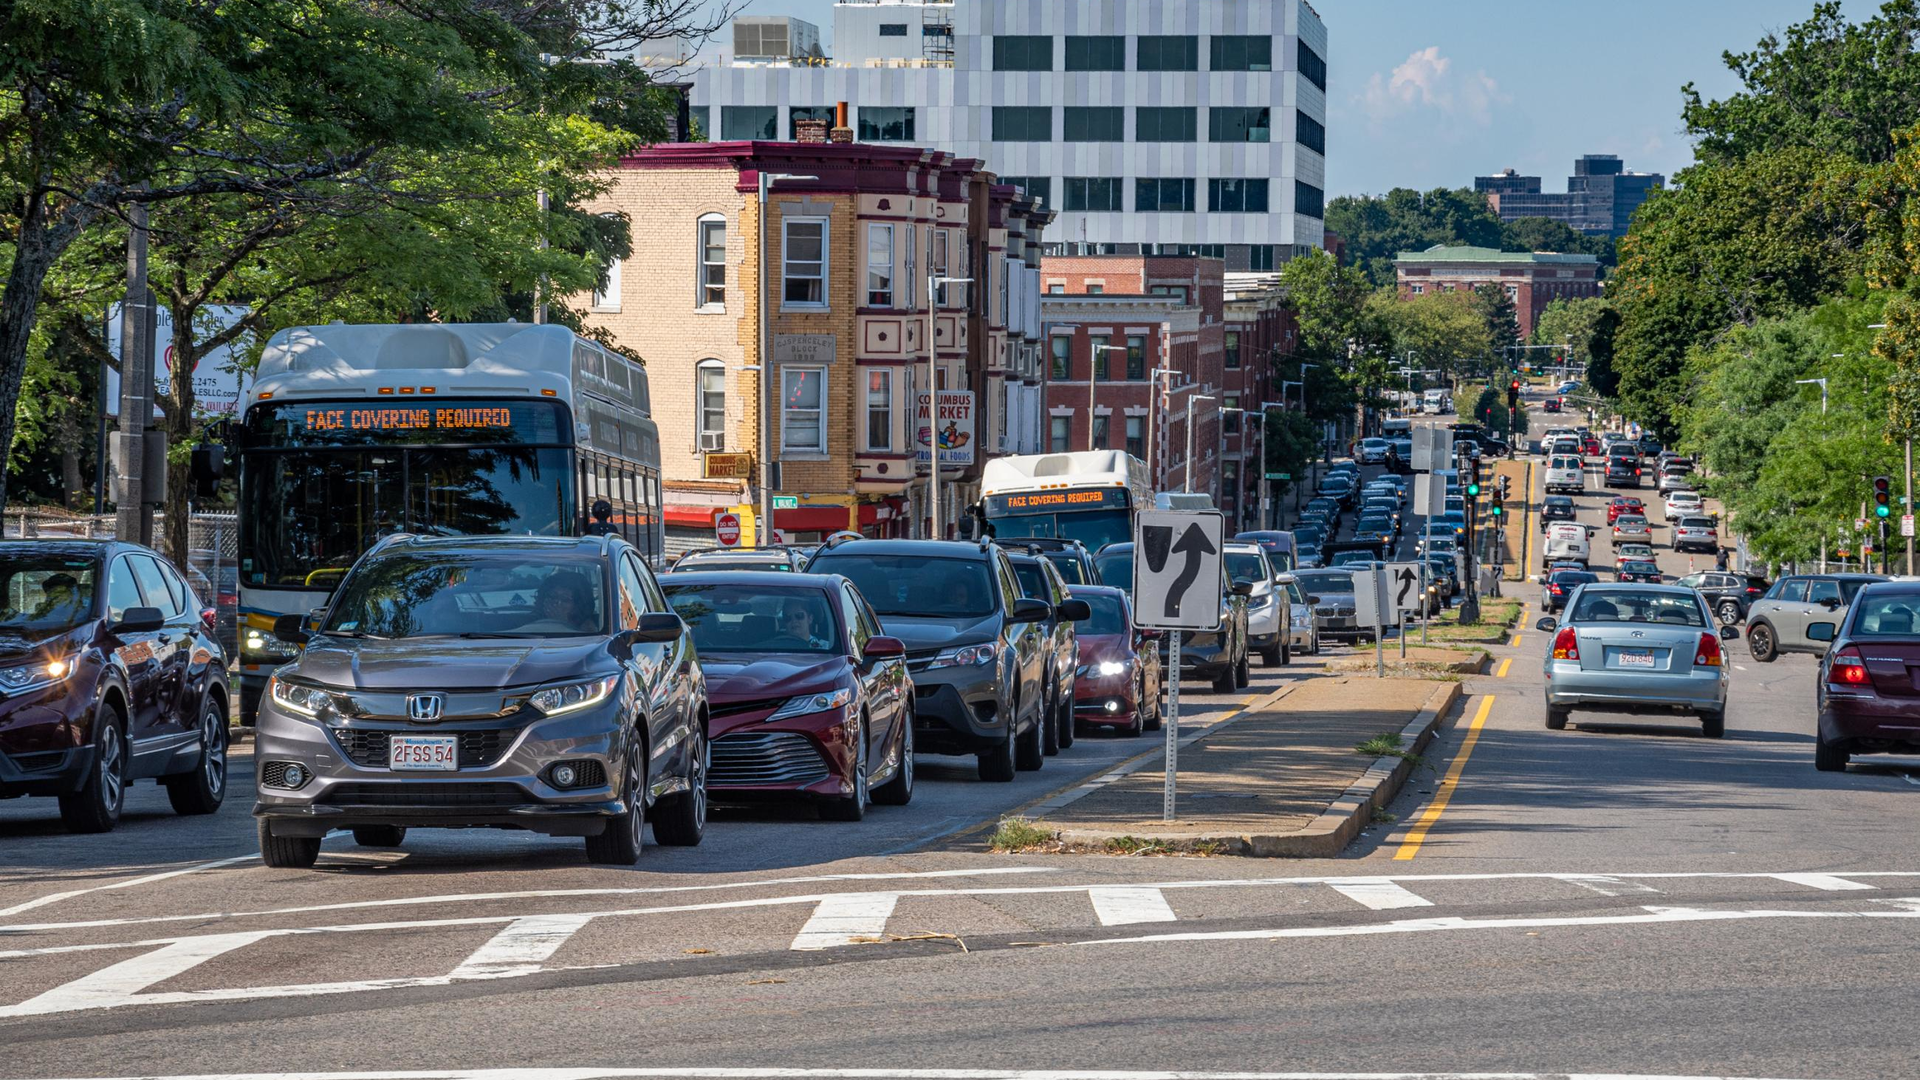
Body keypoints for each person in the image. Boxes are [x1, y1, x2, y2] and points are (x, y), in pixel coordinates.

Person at [521, 572, 596, 633]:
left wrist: (561, 622)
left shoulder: (589, 629)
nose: (557, 602)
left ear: (579, 605)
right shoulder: (526, 621)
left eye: (565, 599)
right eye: (552, 596)